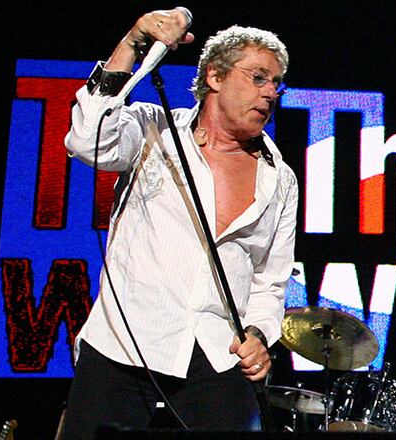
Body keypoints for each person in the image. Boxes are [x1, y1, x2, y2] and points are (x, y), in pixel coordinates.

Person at [61, 7, 298, 438]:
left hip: (217, 356)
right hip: (123, 346)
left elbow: (270, 278)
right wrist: (134, 43)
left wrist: (260, 335)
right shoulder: (154, 130)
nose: (271, 93)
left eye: (277, 83)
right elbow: (86, 140)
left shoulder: (279, 177)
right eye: (258, 77)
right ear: (215, 76)